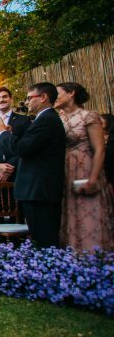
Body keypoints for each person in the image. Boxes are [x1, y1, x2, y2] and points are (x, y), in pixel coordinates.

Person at [0, 82, 65, 248]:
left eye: (29, 98)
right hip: (37, 188)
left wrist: (3, 133)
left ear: (43, 97)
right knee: (39, 236)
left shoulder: (47, 120)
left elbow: (22, 148)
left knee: (44, 239)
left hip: (40, 188)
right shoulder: (44, 119)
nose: (26, 102)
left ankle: (47, 263)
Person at [54, 82, 114, 251]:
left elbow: (100, 149)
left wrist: (93, 178)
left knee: (88, 210)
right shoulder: (59, 119)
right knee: (70, 211)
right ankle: (72, 253)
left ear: (71, 93)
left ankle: (93, 254)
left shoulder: (89, 116)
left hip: (86, 167)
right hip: (67, 169)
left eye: (57, 93)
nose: (54, 97)